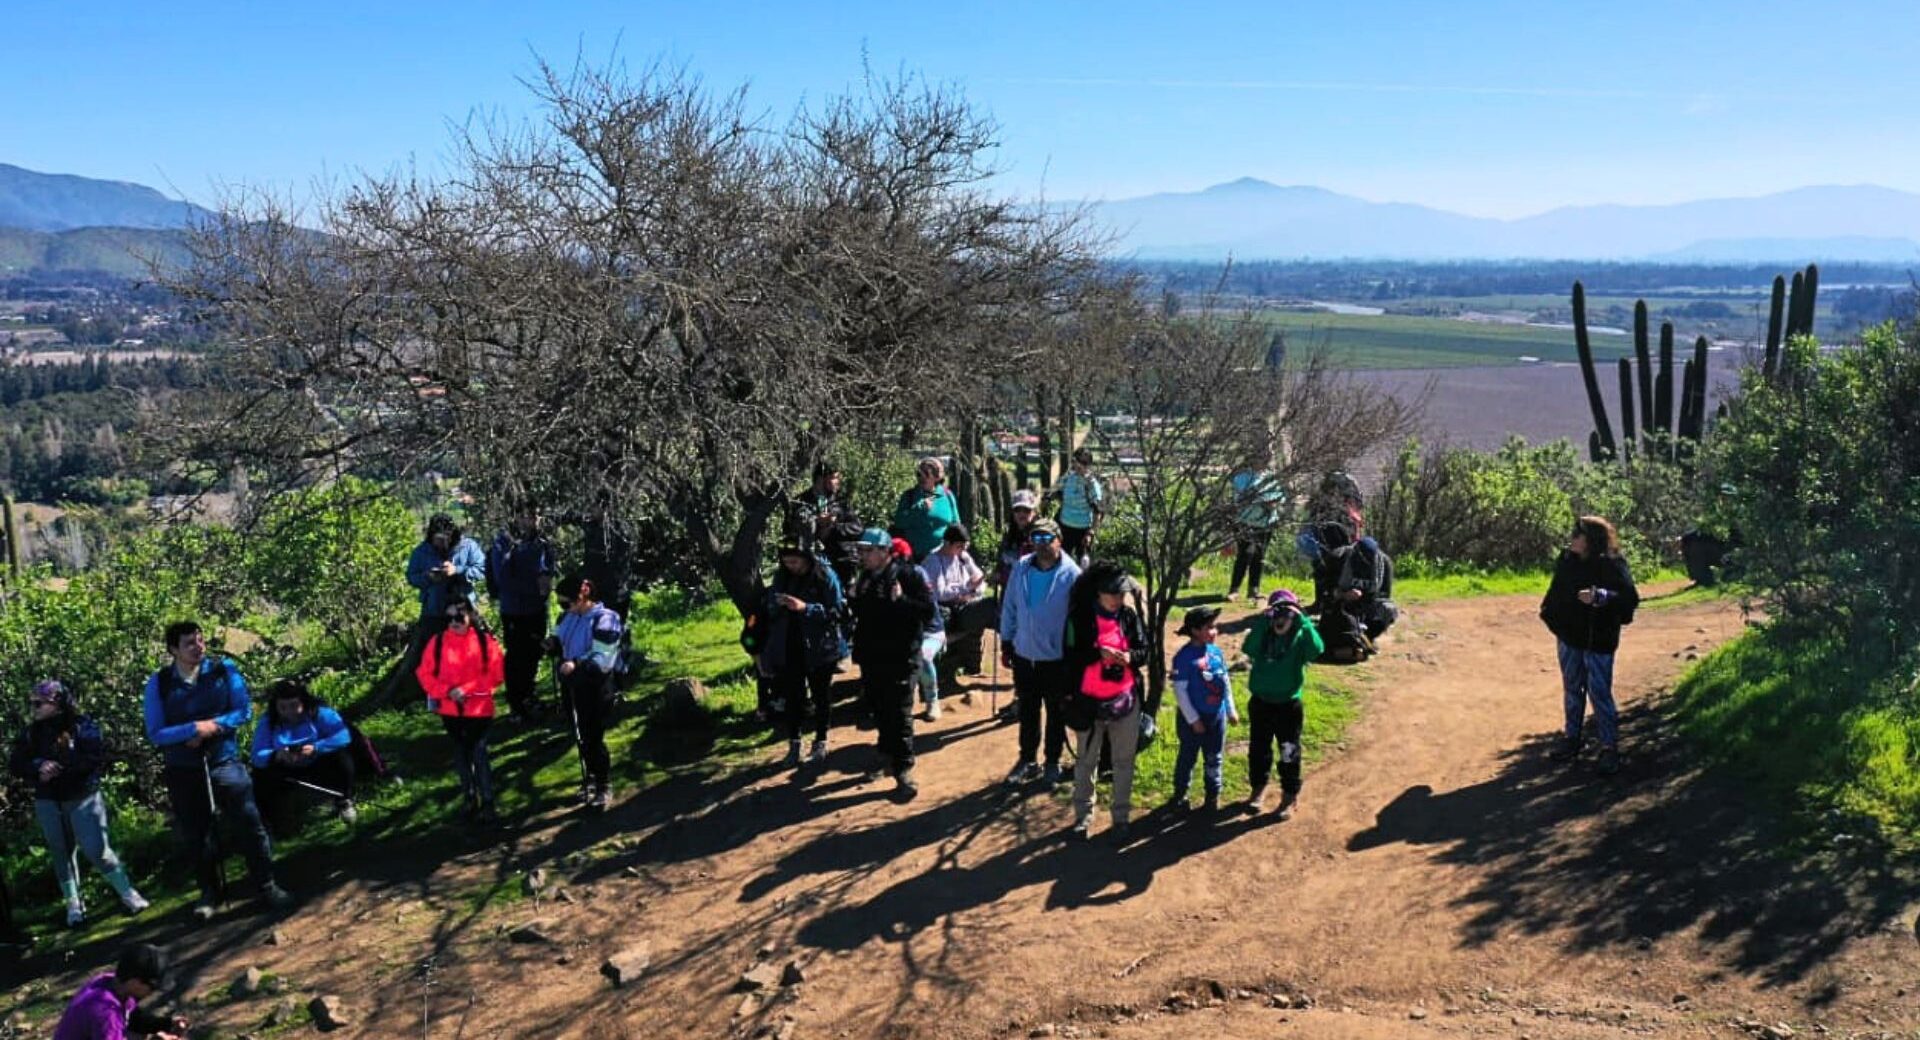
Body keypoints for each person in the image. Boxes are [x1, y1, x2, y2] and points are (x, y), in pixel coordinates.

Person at [143, 622, 288, 918]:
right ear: (173, 650)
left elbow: (244, 711)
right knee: (197, 834)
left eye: (200, 640)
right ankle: (209, 894)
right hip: (182, 768)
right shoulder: (159, 683)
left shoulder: (224, 670)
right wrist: (191, 729)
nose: (198, 647)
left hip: (224, 759)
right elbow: (156, 732)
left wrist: (213, 728)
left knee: (249, 821)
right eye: (189, 643)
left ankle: (266, 883)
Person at [9, 681, 149, 926]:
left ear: (58, 703)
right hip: (48, 801)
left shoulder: (82, 726)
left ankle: (128, 894)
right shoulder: (31, 734)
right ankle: (74, 905)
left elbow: (94, 758)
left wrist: (60, 769)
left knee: (97, 850)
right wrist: (38, 767)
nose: (34, 707)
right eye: (32, 703)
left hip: (83, 798)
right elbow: (16, 763)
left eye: (39, 703)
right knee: (61, 853)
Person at [1539, 515, 1641, 776]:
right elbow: (1555, 593)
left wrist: (1601, 597)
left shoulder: (1612, 564)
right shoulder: (1567, 562)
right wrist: (1551, 617)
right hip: (1570, 637)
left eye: (1578, 533)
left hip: (1598, 640)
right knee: (1572, 689)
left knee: (1599, 693)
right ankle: (1572, 740)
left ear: (1592, 540)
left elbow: (1630, 598)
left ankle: (1609, 748)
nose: (1572, 537)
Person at [846, 528, 936, 799]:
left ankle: (904, 769)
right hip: (872, 656)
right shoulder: (864, 578)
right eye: (861, 550)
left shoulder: (909, 574)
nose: (863, 555)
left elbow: (928, 611)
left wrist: (902, 600)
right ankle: (885, 753)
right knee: (879, 707)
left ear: (885, 551)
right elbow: (864, 614)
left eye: (868, 550)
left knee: (900, 713)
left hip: (901, 656)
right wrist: (853, 598)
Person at [1063, 563, 1149, 841]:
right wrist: (1097, 654)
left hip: (1125, 701)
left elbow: (1144, 651)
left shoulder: (1128, 616)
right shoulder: (1078, 618)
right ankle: (1083, 817)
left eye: (1121, 593)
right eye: (1112, 593)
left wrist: (1129, 658)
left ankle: (1121, 818)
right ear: (1097, 592)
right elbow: (1069, 657)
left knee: (1124, 762)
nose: (1118, 599)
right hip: (1088, 703)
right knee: (1086, 762)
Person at [998, 518, 1082, 787]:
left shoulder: (1073, 574)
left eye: (1047, 539)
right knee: (1028, 710)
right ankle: (1027, 760)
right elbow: (1009, 605)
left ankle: (1052, 762)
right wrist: (1007, 640)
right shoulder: (1021, 568)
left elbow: (1079, 619)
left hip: (1056, 659)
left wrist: (1074, 656)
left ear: (1059, 540)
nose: (1041, 545)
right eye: (1036, 539)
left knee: (1056, 713)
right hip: (1024, 654)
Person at [415, 601, 507, 823]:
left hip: (479, 709)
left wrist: (464, 690)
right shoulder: (437, 643)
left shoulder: (485, 642)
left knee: (479, 752)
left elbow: (496, 674)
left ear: (470, 617)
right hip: (450, 711)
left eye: (459, 617)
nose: (454, 623)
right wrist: (447, 692)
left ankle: (487, 800)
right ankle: (469, 797)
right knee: (460, 754)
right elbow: (424, 674)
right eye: (449, 619)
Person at [762, 543, 846, 767]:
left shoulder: (824, 575)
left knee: (821, 695)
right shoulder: (782, 578)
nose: (791, 567)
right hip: (790, 646)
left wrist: (805, 608)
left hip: (820, 646)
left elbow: (836, 610)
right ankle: (794, 744)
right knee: (794, 697)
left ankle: (820, 741)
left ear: (806, 558)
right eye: (787, 562)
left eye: (795, 562)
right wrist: (777, 604)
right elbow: (769, 606)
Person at [1243, 590, 1323, 819]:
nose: (1282, 616)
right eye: (1278, 610)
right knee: (1258, 749)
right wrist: (1263, 620)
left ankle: (1289, 795)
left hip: (1288, 705)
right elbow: (1248, 648)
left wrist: (1303, 620)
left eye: (1287, 611)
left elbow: (1317, 650)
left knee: (1289, 750)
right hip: (1261, 703)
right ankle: (1258, 789)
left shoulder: (1300, 635)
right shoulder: (1264, 634)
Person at [549, 575, 626, 810]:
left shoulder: (607, 618)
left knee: (593, 735)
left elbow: (603, 657)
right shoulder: (568, 617)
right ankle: (590, 778)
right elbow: (558, 636)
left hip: (596, 685)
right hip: (572, 684)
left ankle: (603, 785)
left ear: (582, 597)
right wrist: (551, 644)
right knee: (580, 733)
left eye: (566, 603)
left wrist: (576, 663)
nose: (564, 608)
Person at [248, 679, 356, 834]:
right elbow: (257, 754)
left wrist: (317, 748)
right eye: (283, 707)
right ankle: (267, 822)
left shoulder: (320, 713)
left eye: (294, 706)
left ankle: (345, 800)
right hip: (287, 767)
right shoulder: (268, 721)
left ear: (303, 702)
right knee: (259, 776)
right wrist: (277, 755)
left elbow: (343, 736)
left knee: (341, 756)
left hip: (318, 761)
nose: (289, 712)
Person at [484, 503, 555, 722]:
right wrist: (534, 587)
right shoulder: (503, 542)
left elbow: (548, 567)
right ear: (516, 518)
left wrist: (546, 582)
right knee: (516, 657)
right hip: (514, 609)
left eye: (535, 515)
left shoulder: (542, 542)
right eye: (525, 516)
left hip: (537, 607)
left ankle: (529, 697)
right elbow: (503, 579)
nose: (531, 521)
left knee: (534, 653)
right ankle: (517, 705)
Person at [1169, 606, 1238, 812]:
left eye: (1214, 626)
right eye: (1210, 627)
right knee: (1187, 757)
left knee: (1214, 757)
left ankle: (1212, 796)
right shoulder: (1183, 658)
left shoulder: (1216, 653)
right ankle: (1180, 795)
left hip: (1216, 718)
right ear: (1195, 630)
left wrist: (1230, 709)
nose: (1215, 631)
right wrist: (1193, 720)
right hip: (1193, 721)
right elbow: (1180, 692)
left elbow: (1224, 682)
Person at [52, 942, 189, 1040]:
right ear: (135, 982)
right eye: (152, 987)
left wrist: (167, 1024)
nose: (153, 992)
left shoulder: (111, 982)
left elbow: (133, 1019)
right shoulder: (107, 1013)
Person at [923, 523, 994, 696]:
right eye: (959, 546)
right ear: (947, 543)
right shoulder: (934, 561)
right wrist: (966, 588)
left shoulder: (963, 557)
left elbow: (980, 582)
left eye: (964, 546)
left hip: (964, 604)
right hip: (944, 611)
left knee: (990, 605)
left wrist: (973, 588)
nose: (962, 549)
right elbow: (940, 593)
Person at [1314, 535, 1398, 662]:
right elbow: (1325, 589)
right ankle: (1346, 641)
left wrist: (1367, 598)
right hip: (1341, 605)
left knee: (1388, 609)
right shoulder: (1339, 557)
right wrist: (1343, 594)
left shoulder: (1385, 564)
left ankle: (1368, 637)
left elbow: (1385, 595)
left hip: (1368, 605)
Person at [787, 461, 865, 592]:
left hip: (842, 557)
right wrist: (817, 523)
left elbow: (858, 527)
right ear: (821, 478)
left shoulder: (841, 501)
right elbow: (791, 529)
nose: (838, 481)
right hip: (813, 558)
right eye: (835, 477)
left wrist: (834, 527)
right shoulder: (801, 501)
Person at [407, 514, 486, 632]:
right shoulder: (421, 552)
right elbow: (411, 576)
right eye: (438, 538)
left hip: (464, 611)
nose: (442, 542)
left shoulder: (468, 546)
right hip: (433, 612)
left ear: (452, 534)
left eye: (446, 537)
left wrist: (457, 570)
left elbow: (482, 569)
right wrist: (428, 577)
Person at [1227, 464, 1285, 601]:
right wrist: (1260, 500)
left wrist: (1273, 503)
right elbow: (1240, 498)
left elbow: (1280, 496)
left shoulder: (1271, 477)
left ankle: (1254, 589)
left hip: (1266, 522)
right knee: (1244, 554)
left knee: (1259, 555)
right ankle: (1234, 589)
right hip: (1245, 521)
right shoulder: (1242, 477)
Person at [892, 457, 961, 562]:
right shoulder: (909, 496)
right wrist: (918, 509)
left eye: (927, 474)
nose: (922, 477)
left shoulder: (947, 495)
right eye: (919, 474)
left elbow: (956, 524)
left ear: (937, 477)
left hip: (943, 557)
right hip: (916, 557)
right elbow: (899, 522)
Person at [1053, 448, 1105, 565]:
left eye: (1085, 463)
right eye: (1078, 461)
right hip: (1064, 527)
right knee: (1060, 562)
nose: (1081, 465)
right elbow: (1058, 493)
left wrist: (1091, 533)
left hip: (1083, 530)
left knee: (1083, 565)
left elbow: (1098, 512)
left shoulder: (1092, 485)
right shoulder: (1067, 478)